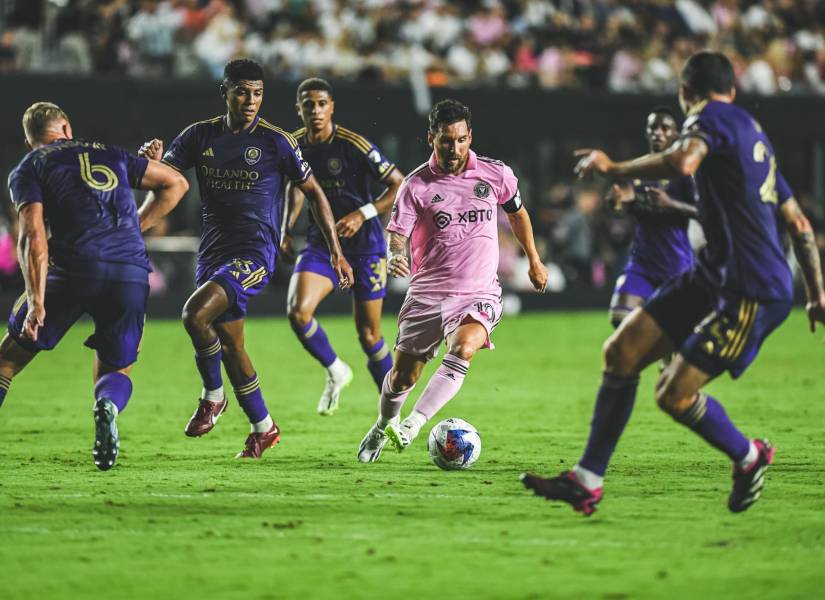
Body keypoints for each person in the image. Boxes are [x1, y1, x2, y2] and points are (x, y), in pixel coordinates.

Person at [522, 51, 825, 515]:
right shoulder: (752, 135)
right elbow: (799, 223)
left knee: (673, 393)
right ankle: (586, 481)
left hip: (750, 287)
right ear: (734, 89)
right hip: (712, 273)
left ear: (685, 93)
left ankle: (749, 456)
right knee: (620, 352)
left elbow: (683, 162)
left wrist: (614, 168)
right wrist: (818, 291)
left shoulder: (710, 120)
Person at [139, 59, 352, 458]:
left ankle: (212, 396)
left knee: (194, 314)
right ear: (225, 93)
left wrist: (337, 253)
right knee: (232, 348)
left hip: (255, 254)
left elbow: (316, 193)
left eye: (257, 93)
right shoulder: (198, 136)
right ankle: (264, 428)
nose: (250, 100)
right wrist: (147, 159)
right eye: (242, 91)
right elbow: (161, 180)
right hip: (213, 254)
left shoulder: (278, 141)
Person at [357, 99, 549, 463]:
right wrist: (397, 255)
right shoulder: (416, 185)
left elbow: (518, 214)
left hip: (479, 291)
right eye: (446, 141)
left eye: (461, 140)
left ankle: (414, 424)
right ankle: (383, 425)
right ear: (431, 138)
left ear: (470, 137)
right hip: (428, 294)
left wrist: (534, 260)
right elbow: (397, 233)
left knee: (463, 349)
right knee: (401, 378)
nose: (455, 149)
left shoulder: (496, 175)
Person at [0, 101, 188, 470]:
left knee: (7, 360)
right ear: (67, 128)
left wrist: (37, 301)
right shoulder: (109, 154)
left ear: (29, 142)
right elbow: (175, 182)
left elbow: (33, 238)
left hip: (73, 269)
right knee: (117, 368)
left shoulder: (30, 166)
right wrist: (135, 225)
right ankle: (107, 406)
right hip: (130, 273)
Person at [281, 78, 404, 415]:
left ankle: (391, 413)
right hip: (322, 244)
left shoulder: (354, 144)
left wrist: (363, 214)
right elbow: (295, 188)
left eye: (322, 103)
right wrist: (285, 228)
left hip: (366, 247)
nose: (316, 110)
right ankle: (336, 370)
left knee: (369, 336)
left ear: (332, 107)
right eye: (309, 104)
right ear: (299, 109)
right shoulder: (291, 145)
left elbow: (399, 184)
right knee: (297, 311)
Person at [608, 107, 698, 328]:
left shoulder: (684, 173)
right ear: (647, 133)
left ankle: (667, 352)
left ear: (675, 135)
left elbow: (705, 211)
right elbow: (624, 202)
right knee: (620, 317)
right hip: (643, 263)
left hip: (676, 264)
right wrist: (618, 202)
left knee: (678, 335)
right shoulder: (638, 169)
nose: (658, 132)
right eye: (653, 128)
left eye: (665, 128)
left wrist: (671, 204)